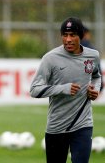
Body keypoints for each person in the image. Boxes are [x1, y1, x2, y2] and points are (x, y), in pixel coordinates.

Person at [30, 17, 102, 163]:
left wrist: (95, 89)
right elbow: (34, 90)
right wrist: (63, 88)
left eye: (73, 35)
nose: (68, 39)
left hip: (83, 124)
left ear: (80, 36)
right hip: (57, 127)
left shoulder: (93, 55)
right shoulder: (50, 58)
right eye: (65, 35)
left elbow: (96, 76)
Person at [81, 26, 103, 91]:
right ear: (86, 34)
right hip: (90, 84)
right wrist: (100, 86)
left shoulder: (73, 48)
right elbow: (98, 69)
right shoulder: (92, 49)